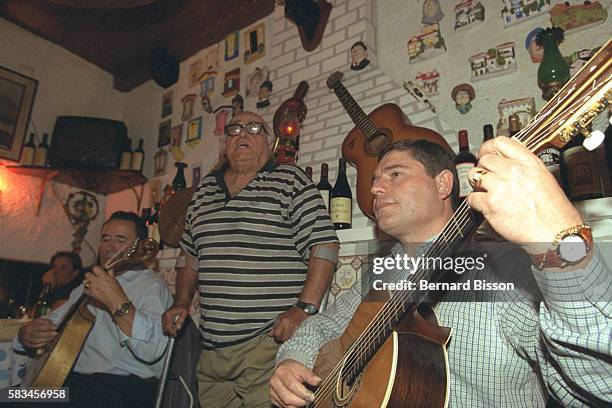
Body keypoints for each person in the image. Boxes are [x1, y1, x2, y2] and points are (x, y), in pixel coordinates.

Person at [270, 138, 611, 407]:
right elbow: (323, 324)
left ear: (444, 184)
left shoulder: (504, 268)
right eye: (374, 180)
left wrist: (563, 247)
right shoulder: (380, 273)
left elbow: (601, 385)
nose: (375, 188)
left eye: (396, 174)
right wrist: (291, 362)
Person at [162, 111, 339, 408]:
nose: (243, 134)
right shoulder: (204, 191)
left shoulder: (289, 178)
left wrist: (303, 309)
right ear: (225, 143)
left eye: (254, 128)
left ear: (268, 142)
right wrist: (180, 302)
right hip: (212, 350)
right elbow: (189, 256)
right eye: (234, 129)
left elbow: (324, 244)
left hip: (267, 342)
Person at [15, 211, 172, 408]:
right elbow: (52, 322)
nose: (109, 246)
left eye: (120, 239)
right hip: (74, 382)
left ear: (140, 247)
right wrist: (26, 334)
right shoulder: (87, 284)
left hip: (122, 388)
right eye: (105, 238)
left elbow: (153, 350)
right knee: (10, 395)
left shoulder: (152, 286)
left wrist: (116, 300)